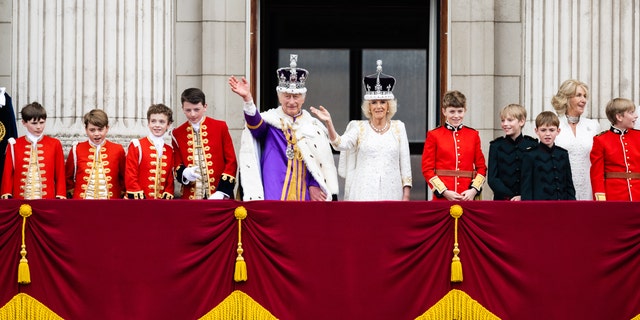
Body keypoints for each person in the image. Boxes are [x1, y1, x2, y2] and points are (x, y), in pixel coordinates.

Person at [228, 54, 339, 201]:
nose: (292, 101)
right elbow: (256, 127)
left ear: (303, 98)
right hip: (274, 186)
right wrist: (248, 100)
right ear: (279, 97)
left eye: (296, 96)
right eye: (287, 96)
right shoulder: (271, 120)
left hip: (304, 190)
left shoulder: (312, 126)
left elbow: (319, 158)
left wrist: (314, 184)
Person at [309, 60, 411, 200]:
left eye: (383, 102)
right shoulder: (359, 127)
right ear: (368, 107)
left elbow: (405, 164)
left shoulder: (399, 127)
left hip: (392, 191)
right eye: (374, 103)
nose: (378, 106)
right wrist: (329, 122)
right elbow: (339, 144)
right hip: (363, 191)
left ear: (389, 106)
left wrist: (406, 195)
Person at [171, 88, 237, 200]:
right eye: (188, 110)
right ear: (182, 108)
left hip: (219, 195)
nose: (192, 114)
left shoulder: (220, 127)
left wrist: (222, 191)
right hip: (191, 198)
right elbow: (177, 164)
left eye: (197, 109)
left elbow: (231, 162)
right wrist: (184, 173)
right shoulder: (177, 133)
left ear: (205, 107)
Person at [421, 90, 486, 201]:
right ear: (444, 111)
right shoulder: (434, 135)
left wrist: (473, 190)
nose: (456, 116)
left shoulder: (473, 135)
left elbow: (482, 168)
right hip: (443, 197)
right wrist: (444, 192)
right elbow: (427, 169)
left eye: (460, 111)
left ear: (465, 111)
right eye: (452, 112)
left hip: (468, 196)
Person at [1, 102, 66, 199]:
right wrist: (6, 193)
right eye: (34, 123)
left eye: (42, 122)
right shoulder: (14, 144)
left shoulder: (54, 144)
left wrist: (61, 194)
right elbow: (8, 173)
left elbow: (60, 173)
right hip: (20, 200)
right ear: (24, 123)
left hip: (48, 200)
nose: (39, 127)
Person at [552, 80, 600, 200]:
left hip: (588, 188)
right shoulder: (554, 125)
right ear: (566, 98)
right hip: (560, 189)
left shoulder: (593, 125)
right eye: (578, 95)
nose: (583, 100)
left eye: (584, 96)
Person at [65, 109, 126, 199]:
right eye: (92, 130)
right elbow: (68, 177)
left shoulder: (118, 149)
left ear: (107, 129)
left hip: (110, 204)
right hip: (82, 204)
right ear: (86, 129)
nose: (96, 134)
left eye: (100, 129)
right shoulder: (76, 149)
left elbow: (123, 178)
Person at [590, 98, 640, 201]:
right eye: (631, 113)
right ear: (619, 117)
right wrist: (601, 199)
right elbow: (597, 174)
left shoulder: (638, 136)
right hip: (614, 197)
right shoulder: (601, 140)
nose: (636, 116)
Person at [521, 111, 575, 200]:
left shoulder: (563, 154)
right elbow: (527, 188)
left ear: (558, 131)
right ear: (536, 131)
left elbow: (569, 184)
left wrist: (572, 205)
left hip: (562, 205)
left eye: (551, 130)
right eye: (543, 130)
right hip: (539, 208)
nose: (547, 134)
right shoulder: (530, 155)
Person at [487, 104, 538, 200]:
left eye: (510, 120)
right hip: (503, 201)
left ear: (521, 121)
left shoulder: (533, 145)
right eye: (503, 120)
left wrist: (523, 196)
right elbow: (492, 179)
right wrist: (511, 196)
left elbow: (536, 177)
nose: (505, 124)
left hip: (526, 200)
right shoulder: (496, 146)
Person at [125, 104, 175, 199]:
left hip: (159, 204)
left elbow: (169, 178)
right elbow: (130, 174)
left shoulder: (169, 150)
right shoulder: (137, 145)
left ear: (168, 125)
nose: (157, 125)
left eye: (161, 122)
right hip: (138, 202)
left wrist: (168, 192)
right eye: (153, 121)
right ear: (148, 123)